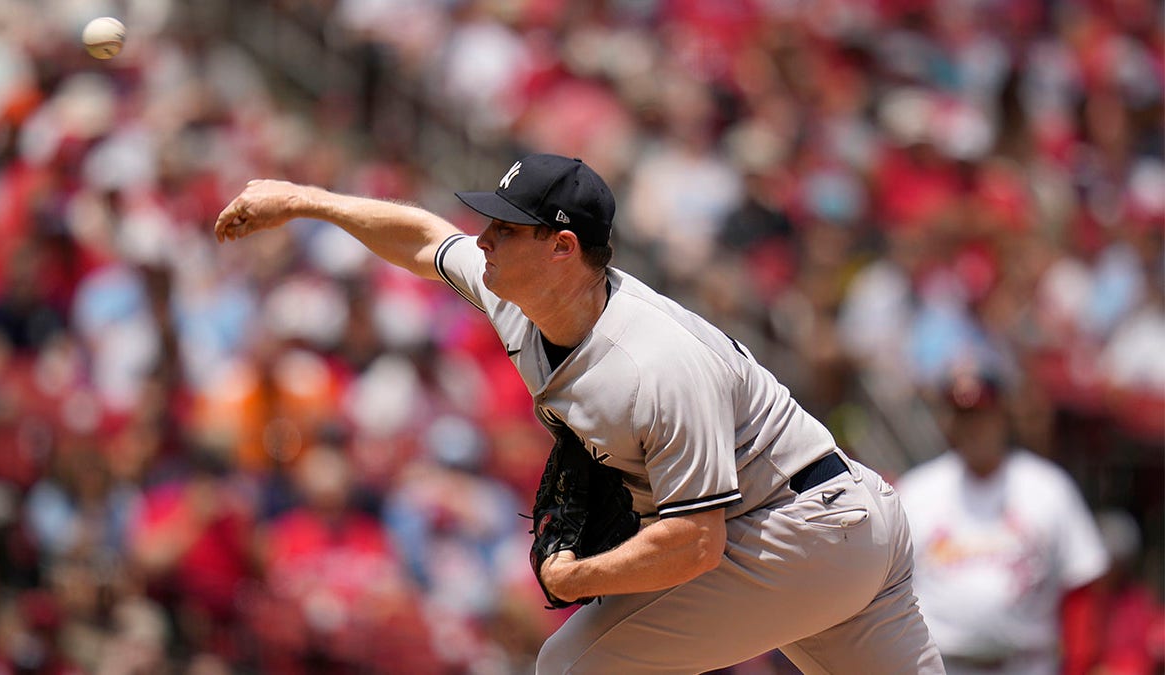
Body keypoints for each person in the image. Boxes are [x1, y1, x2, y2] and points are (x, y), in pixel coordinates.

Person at [213, 153, 945, 674]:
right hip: (842, 522)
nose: (484, 239)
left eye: (505, 228)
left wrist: (579, 574)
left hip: (794, 530)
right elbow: (423, 240)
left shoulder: (654, 362)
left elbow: (695, 543)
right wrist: (306, 200)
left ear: (562, 248)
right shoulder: (517, 289)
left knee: (571, 666)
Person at [897, 368, 1110, 675]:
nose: (974, 428)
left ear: (1002, 417)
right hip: (940, 665)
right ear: (950, 424)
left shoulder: (1048, 487)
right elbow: (888, 590)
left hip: (1026, 665)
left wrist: (1080, 665)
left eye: (982, 416)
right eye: (964, 417)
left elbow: (1081, 585)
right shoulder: (916, 491)